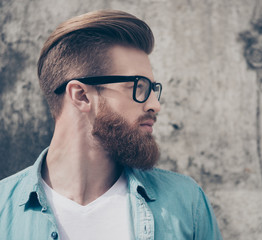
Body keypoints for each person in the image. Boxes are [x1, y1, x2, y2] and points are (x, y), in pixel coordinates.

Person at [0, 10, 222, 240]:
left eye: (153, 90)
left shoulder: (186, 203)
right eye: (138, 86)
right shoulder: (3, 212)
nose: (155, 105)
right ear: (81, 96)